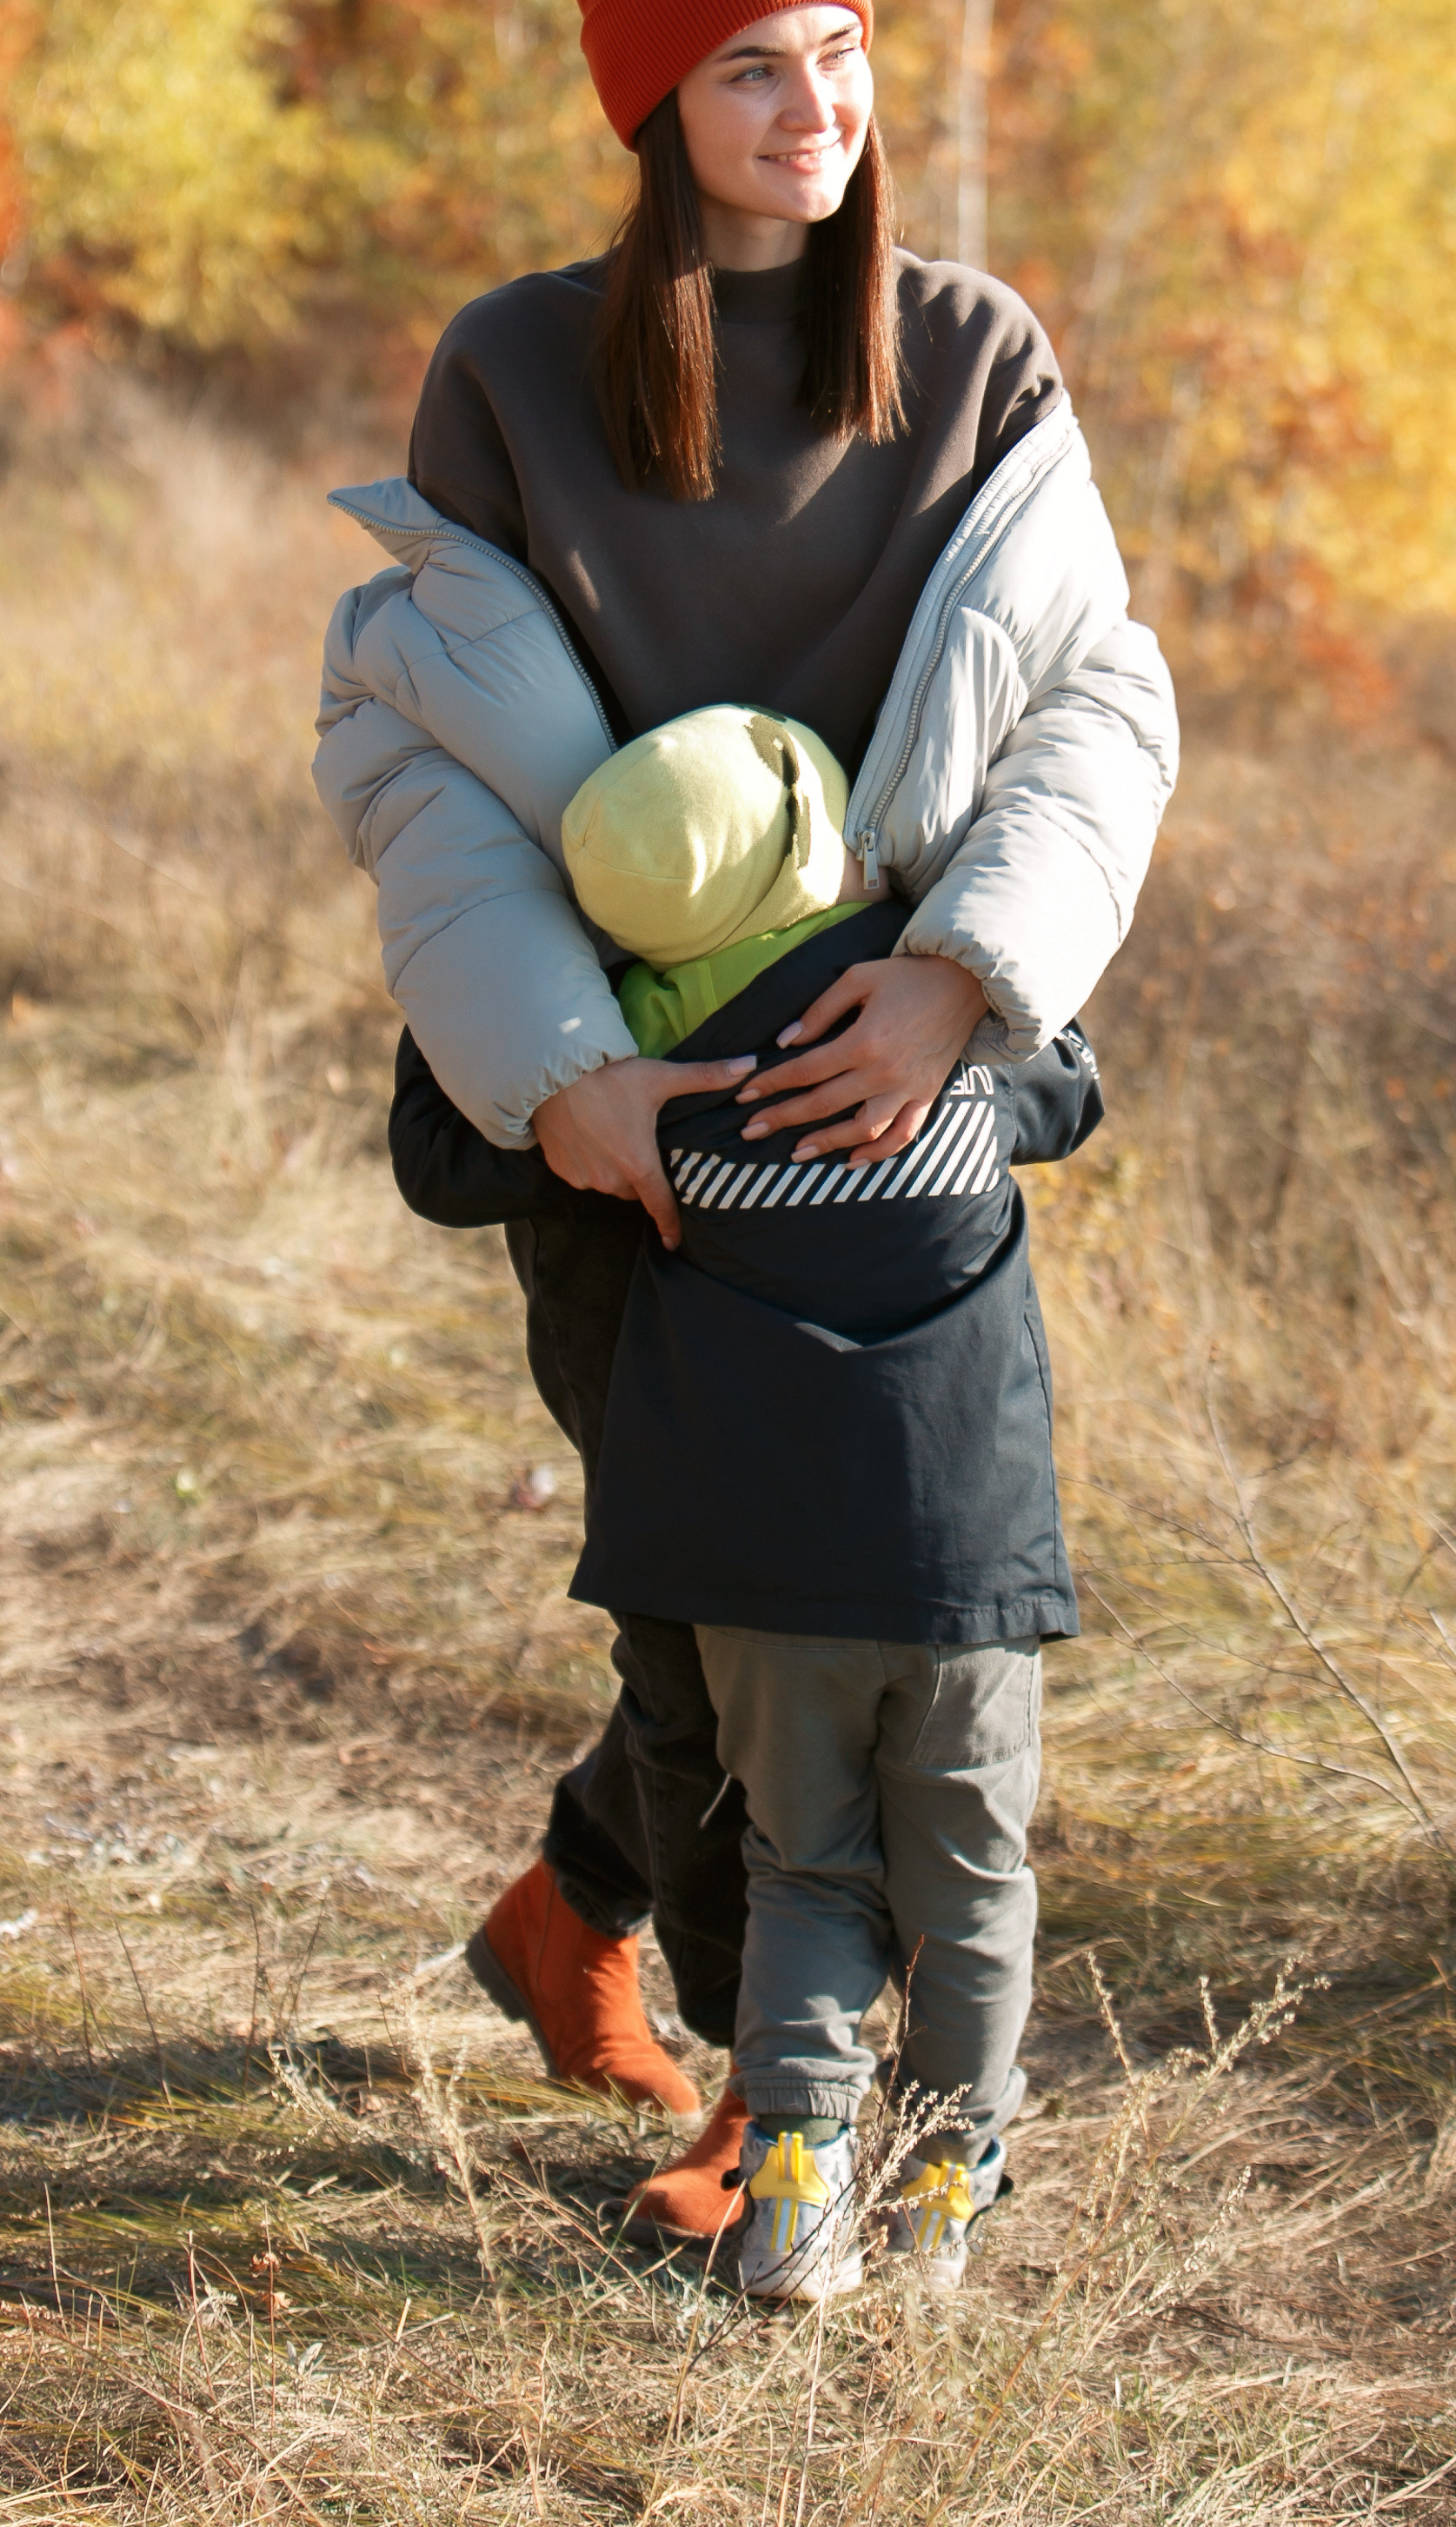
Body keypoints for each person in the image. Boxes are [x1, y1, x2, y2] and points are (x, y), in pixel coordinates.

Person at [314, 0, 1177, 2249]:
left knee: (875, 1585)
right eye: (744, 68)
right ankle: (745, 2080)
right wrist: (567, 1082)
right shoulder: (509, 374)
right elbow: (416, 760)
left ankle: (577, 1925)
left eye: (839, 50)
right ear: (648, 106)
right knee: (707, 1608)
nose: (813, 108)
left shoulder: (977, 353)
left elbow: (1096, 710)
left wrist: (963, 978)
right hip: (627, 1117)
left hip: (899, 1094)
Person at [388, 695, 1104, 2291]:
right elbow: (1071, 1087)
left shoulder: (659, 1077)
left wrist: (584, 1054)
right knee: (968, 1879)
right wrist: (958, 975)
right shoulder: (939, 1067)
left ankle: (787, 2172)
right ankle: (939, 2188)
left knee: (803, 1857)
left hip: (755, 1550)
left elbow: (438, 1142)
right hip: (957, 1555)